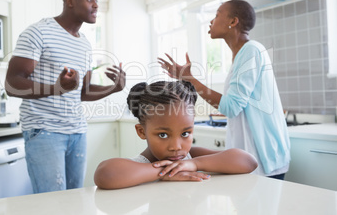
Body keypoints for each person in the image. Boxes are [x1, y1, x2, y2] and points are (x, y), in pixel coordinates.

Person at [5, 0, 126, 193]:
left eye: (97, 0)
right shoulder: (38, 32)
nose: (96, 5)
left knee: (73, 199)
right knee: (52, 203)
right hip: (45, 131)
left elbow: (82, 91)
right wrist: (56, 88)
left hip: (77, 132)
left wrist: (112, 88)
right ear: (69, 1)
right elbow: (12, 83)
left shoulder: (85, 44)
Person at [158, 0, 290, 180]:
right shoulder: (243, 54)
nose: (211, 21)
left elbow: (231, 107)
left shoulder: (251, 51)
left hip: (262, 157)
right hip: (251, 157)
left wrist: (191, 79)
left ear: (233, 21)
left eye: (217, 14)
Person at [94, 81, 258, 189]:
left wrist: (194, 164)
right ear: (142, 132)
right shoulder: (140, 165)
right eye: (163, 135)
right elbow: (105, 174)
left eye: (185, 133)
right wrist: (166, 172)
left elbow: (248, 161)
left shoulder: (191, 157)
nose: (176, 146)